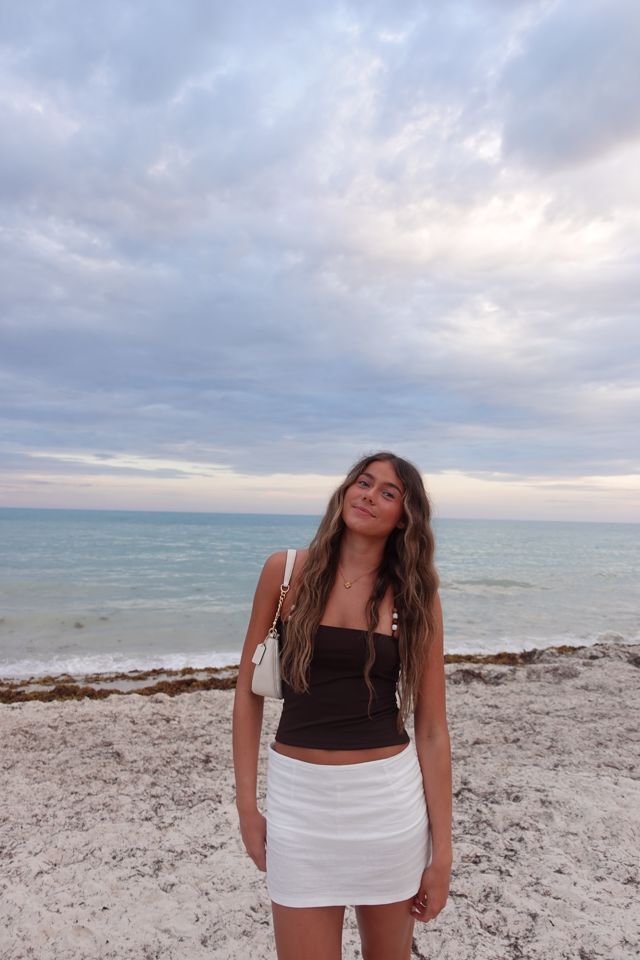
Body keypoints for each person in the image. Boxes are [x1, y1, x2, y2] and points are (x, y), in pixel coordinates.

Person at [232, 452, 452, 960]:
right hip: (298, 804)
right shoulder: (286, 572)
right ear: (346, 490)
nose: (369, 495)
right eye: (363, 482)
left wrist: (442, 853)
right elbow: (247, 693)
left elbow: (432, 729)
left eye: (388, 493)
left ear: (405, 518)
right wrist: (247, 806)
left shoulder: (415, 596)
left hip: (387, 808)